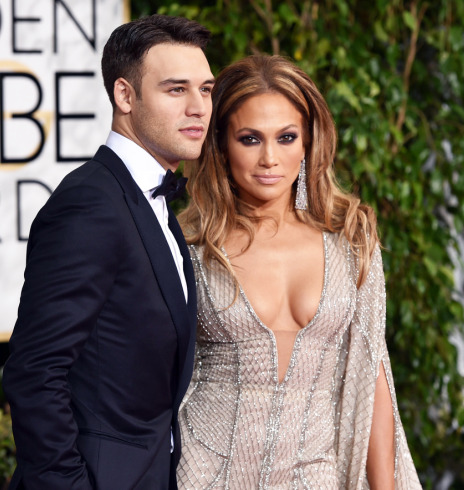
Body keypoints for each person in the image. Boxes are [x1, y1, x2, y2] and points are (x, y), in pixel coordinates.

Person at [176, 55, 421, 489]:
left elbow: (370, 378)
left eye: (286, 137)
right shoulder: (190, 246)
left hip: (315, 474)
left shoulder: (352, 241)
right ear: (221, 145)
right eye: (249, 139)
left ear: (308, 141)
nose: (269, 158)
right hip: (205, 472)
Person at [3, 14, 215, 490]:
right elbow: (34, 372)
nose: (199, 107)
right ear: (124, 96)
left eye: (205, 89)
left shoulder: (149, 200)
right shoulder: (91, 203)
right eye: (176, 89)